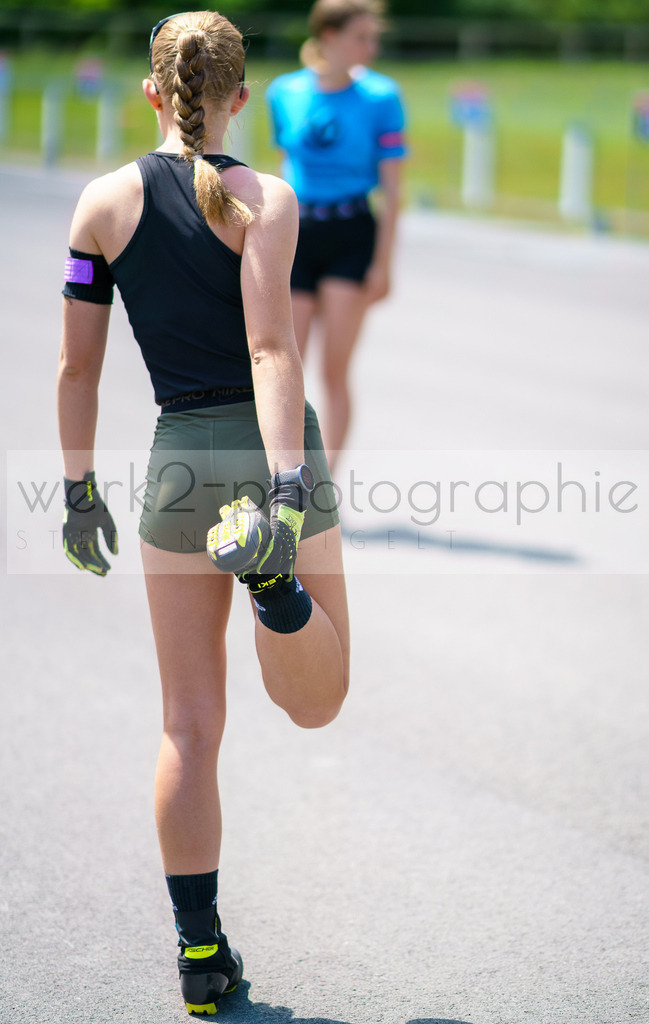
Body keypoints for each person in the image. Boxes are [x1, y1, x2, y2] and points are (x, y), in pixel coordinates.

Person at [57, 10, 349, 1017]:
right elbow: (272, 348)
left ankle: (197, 951)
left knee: (188, 725)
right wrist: (282, 490)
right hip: (269, 453)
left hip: (177, 468)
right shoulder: (266, 197)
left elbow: (76, 367)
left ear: (151, 92)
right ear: (241, 97)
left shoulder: (100, 205)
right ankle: (273, 590)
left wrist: (77, 490)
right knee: (316, 699)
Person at [266, 0, 407, 470]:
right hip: (299, 231)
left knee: (334, 371)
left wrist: (384, 264)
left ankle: (325, 482)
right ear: (329, 35)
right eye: (361, 36)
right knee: (287, 367)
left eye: (373, 36)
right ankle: (284, 475)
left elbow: (392, 191)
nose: (371, 46)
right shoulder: (284, 92)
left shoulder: (382, 97)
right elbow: (285, 168)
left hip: (352, 234)